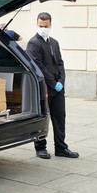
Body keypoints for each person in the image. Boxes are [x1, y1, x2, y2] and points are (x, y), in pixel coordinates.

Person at [26, 12, 78, 159]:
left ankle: (61, 147)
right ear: (37, 24)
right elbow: (38, 66)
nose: (43, 28)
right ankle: (40, 148)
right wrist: (53, 83)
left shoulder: (54, 42)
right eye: (40, 26)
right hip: (45, 88)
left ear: (50, 25)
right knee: (43, 118)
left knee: (60, 117)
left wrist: (61, 80)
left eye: (46, 26)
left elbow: (60, 63)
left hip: (57, 88)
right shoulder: (33, 43)